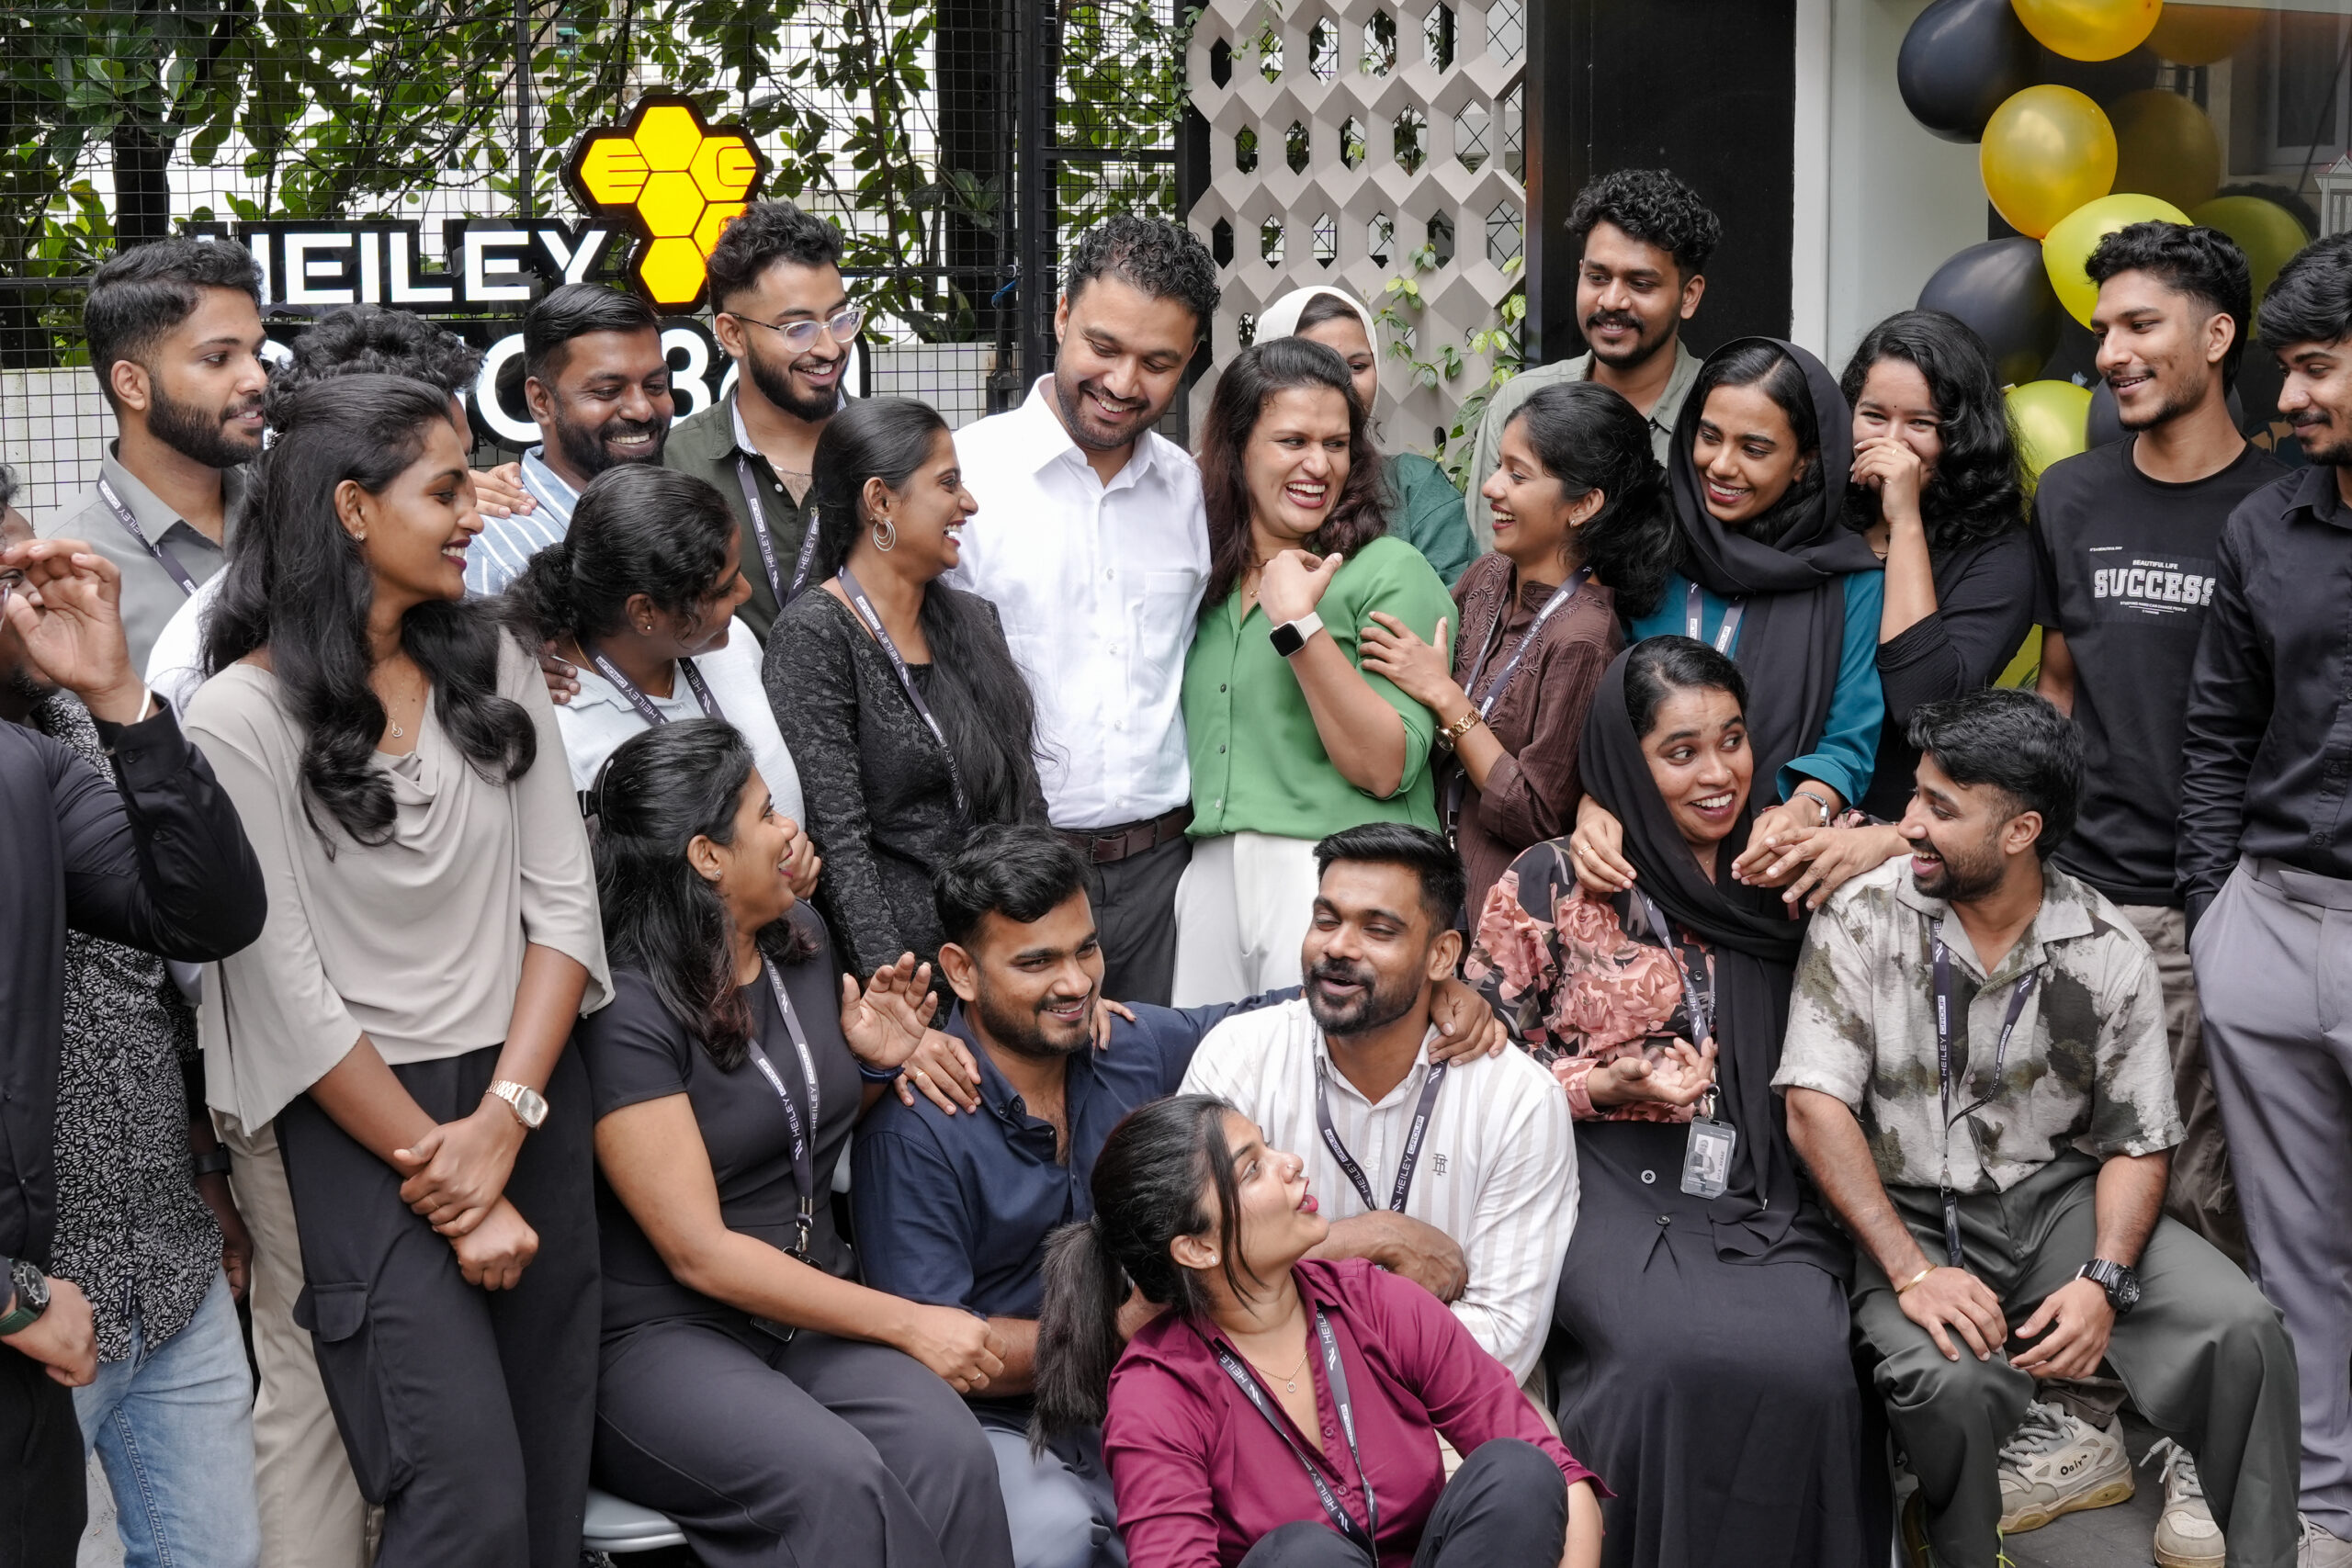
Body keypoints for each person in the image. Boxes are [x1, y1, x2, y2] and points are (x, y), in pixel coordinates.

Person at [186, 375, 611, 1568]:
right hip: (359, 1126)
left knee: (541, 1483)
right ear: (354, 509)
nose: (478, 510)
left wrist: (506, 1119)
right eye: (446, 487)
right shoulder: (237, 715)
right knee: (459, 1493)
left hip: (525, 1093)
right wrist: (455, 1171)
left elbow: (563, 907)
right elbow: (286, 991)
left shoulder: (496, 659)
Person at [853, 825, 1509, 1568]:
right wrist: (1125, 1323)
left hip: (1161, 1392)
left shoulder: (1130, 1045)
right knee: (1063, 1534)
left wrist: (1432, 984)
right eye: (1037, 962)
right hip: (1007, 1424)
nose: (1075, 983)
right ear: (961, 972)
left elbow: (1287, 1008)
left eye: (1085, 950)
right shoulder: (915, 1131)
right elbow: (950, 1351)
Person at [1779, 689, 2301, 1568]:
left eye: (1942, 807)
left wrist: (2105, 1279)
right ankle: (1958, 1545)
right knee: (1948, 1381)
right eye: (1916, 795)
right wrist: (1911, 1272)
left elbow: (2138, 1140)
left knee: (2242, 1326)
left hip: (2053, 1202)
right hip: (1907, 1212)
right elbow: (1813, 1105)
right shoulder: (1864, 914)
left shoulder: (2106, 949)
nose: (1909, 825)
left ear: (2020, 831)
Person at [1466, 636, 1884, 1568]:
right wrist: (1598, 1084)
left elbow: (1937, 844)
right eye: (1680, 751)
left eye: (1732, 740)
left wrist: (1872, 836)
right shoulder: (1555, 878)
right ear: (1625, 758)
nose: (1718, 773)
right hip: (1603, 1174)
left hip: (1769, 1176)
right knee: (1658, 1358)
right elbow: (1478, 1065)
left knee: (1814, 1367)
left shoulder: (1787, 855)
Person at [576, 718, 1014, 1568]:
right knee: (838, 1483)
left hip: (802, 1307)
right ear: (707, 856)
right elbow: (699, 1252)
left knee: (949, 1450)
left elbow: (788, 1125)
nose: (791, 831)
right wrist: (911, 1323)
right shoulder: (627, 1010)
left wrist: (876, 1065)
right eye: (767, 813)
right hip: (664, 1335)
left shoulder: (801, 941)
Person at [0, 485, 258, 1566]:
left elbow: (203, 919)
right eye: (6, 578)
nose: (31, 596)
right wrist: (12, 1298)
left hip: (165, 1269)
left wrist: (116, 692)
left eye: (29, 566)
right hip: (36, 1304)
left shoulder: (66, 729)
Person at [1031, 1095, 1605, 1568]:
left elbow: (1555, 1469)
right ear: (1198, 1248)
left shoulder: (1376, 1303)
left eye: (1269, 1146)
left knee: (1519, 1473)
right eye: (1252, 1169)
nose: (1291, 1163)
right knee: (1304, 1557)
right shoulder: (1157, 1391)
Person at [2034, 220, 2278, 1276]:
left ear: (2216, 337)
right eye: (2102, 331)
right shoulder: (2069, 494)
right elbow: (2056, 686)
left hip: (2209, 908)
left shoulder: (2281, 511)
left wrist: (2226, 907)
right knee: (2060, 1176)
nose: (2110, 353)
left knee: (2198, 1196)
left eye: (2140, 325)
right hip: (2077, 898)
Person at [2181, 229, 2352, 1568]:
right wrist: (2212, 917)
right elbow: (2218, 735)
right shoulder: (2262, 526)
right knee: (2295, 1251)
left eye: (2316, 367)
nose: (2288, 398)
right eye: (2285, 368)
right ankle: (2327, 1512)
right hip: (2272, 921)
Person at [1182, 825, 1573, 1385]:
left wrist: (1317, 1350)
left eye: (1378, 930)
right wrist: (1367, 1237)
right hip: (1258, 1391)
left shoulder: (1518, 1101)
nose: (1338, 946)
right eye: (1326, 920)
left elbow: (1502, 1338)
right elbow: (1190, 1267)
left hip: (1448, 1412)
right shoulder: (1239, 1057)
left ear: (1441, 954)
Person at [947, 215, 1222, 1008]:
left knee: (1156, 1079)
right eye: (1105, 347)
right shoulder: (965, 475)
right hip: (1011, 871)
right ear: (1062, 314)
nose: (1125, 383)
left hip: (1164, 878)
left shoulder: (1192, 491)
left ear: (1189, 359)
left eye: (1158, 362)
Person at [1173, 340, 1455, 1004]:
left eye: (1336, 444)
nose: (1318, 465)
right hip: (1209, 871)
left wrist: (1300, 627)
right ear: (1238, 449)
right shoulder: (1204, 579)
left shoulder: (1389, 569)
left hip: (1338, 878)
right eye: (1292, 441)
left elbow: (1385, 766)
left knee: (1322, 1067)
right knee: (1210, 1068)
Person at [1567, 339, 1887, 911]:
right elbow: (1596, 712)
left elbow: (1849, 739)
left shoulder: (1848, 581)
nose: (1720, 465)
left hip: (1768, 873)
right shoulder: (1642, 542)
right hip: (1629, 868)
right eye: (1710, 436)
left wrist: (1803, 808)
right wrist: (1593, 807)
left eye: (1754, 448)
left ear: (1805, 461)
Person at [1358, 379, 1676, 916]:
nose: (1490, 487)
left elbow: (1537, 814)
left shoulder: (1585, 637)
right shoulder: (1488, 574)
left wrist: (1446, 697)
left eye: (1517, 474)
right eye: (1498, 466)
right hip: (1422, 867)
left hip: (1496, 907)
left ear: (1584, 505)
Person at [767, 396, 1045, 981]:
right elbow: (840, 844)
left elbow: (1026, 805)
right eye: (948, 483)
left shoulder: (975, 621)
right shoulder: (816, 635)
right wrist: (898, 997)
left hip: (1007, 959)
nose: (969, 503)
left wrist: (1053, 950)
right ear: (880, 501)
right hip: (909, 981)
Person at [147, 302, 486, 716]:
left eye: (465, 468)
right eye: (443, 488)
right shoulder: (204, 680)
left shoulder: (477, 624)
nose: (473, 509)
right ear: (351, 497)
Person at [501, 462, 804, 822]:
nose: (745, 592)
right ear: (645, 612)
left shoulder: (732, 642)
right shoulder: (559, 732)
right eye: (723, 590)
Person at [1839, 310, 2033, 822]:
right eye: (1874, 416)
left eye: (1920, 423)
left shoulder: (2000, 552)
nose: (1892, 441)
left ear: (1962, 434)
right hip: (1787, 801)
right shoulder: (1820, 516)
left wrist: (1904, 520)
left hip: (1900, 826)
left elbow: (1922, 706)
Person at [1458, 169, 1718, 550]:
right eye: (1598, 277)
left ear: (1689, 295)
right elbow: (1487, 563)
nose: (1612, 301)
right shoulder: (1520, 402)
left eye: (1640, 284)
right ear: (1580, 273)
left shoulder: (1718, 414)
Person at [46, 236, 267, 670]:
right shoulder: (66, 567)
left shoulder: (292, 515)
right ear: (132, 385)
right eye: (218, 358)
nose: (258, 379)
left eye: (256, 353)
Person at [663, 200, 854, 642]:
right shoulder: (674, 465)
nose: (830, 348)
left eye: (839, 320)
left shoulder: (899, 450)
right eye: (798, 329)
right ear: (732, 334)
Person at [1253, 287, 1477, 584]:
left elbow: (1456, 603)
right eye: (1318, 365)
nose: (1342, 382)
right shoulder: (1215, 500)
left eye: (1357, 366)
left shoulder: (1414, 487)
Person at [466, 282, 674, 596]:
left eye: (655, 386)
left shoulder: (688, 512)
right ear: (540, 401)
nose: (642, 410)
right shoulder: (485, 552)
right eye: (607, 391)